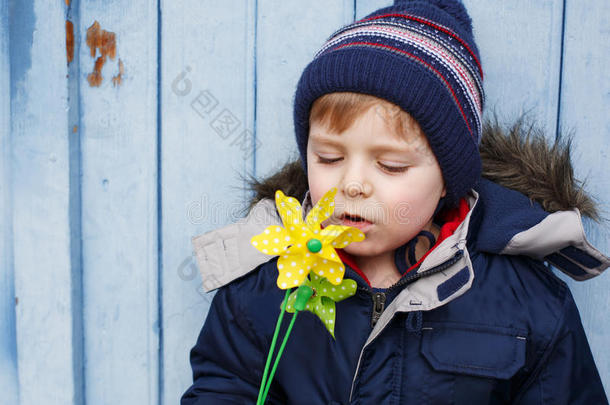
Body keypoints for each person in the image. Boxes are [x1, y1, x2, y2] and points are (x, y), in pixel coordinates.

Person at [181, 0, 610, 403]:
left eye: (390, 165)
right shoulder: (264, 281)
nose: (352, 184)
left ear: (447, 179)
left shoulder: (526, 300)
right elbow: (226, 384)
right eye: (329, 158)